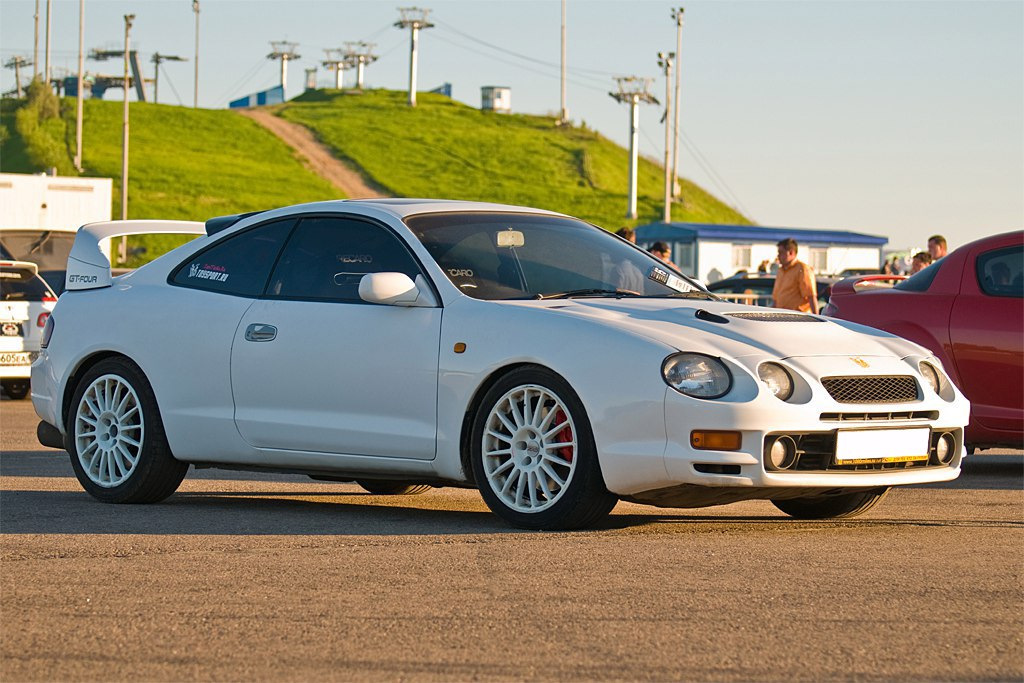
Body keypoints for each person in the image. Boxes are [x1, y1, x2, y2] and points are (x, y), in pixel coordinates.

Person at [771, 238, 818, 313]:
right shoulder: (780, 270)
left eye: (781, 252)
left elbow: (811, 296)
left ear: (791, 253)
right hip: (781, 316)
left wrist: (816, 319)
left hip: (798, 318)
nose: (778, 256)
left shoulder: (803, 269)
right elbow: (776, 299)